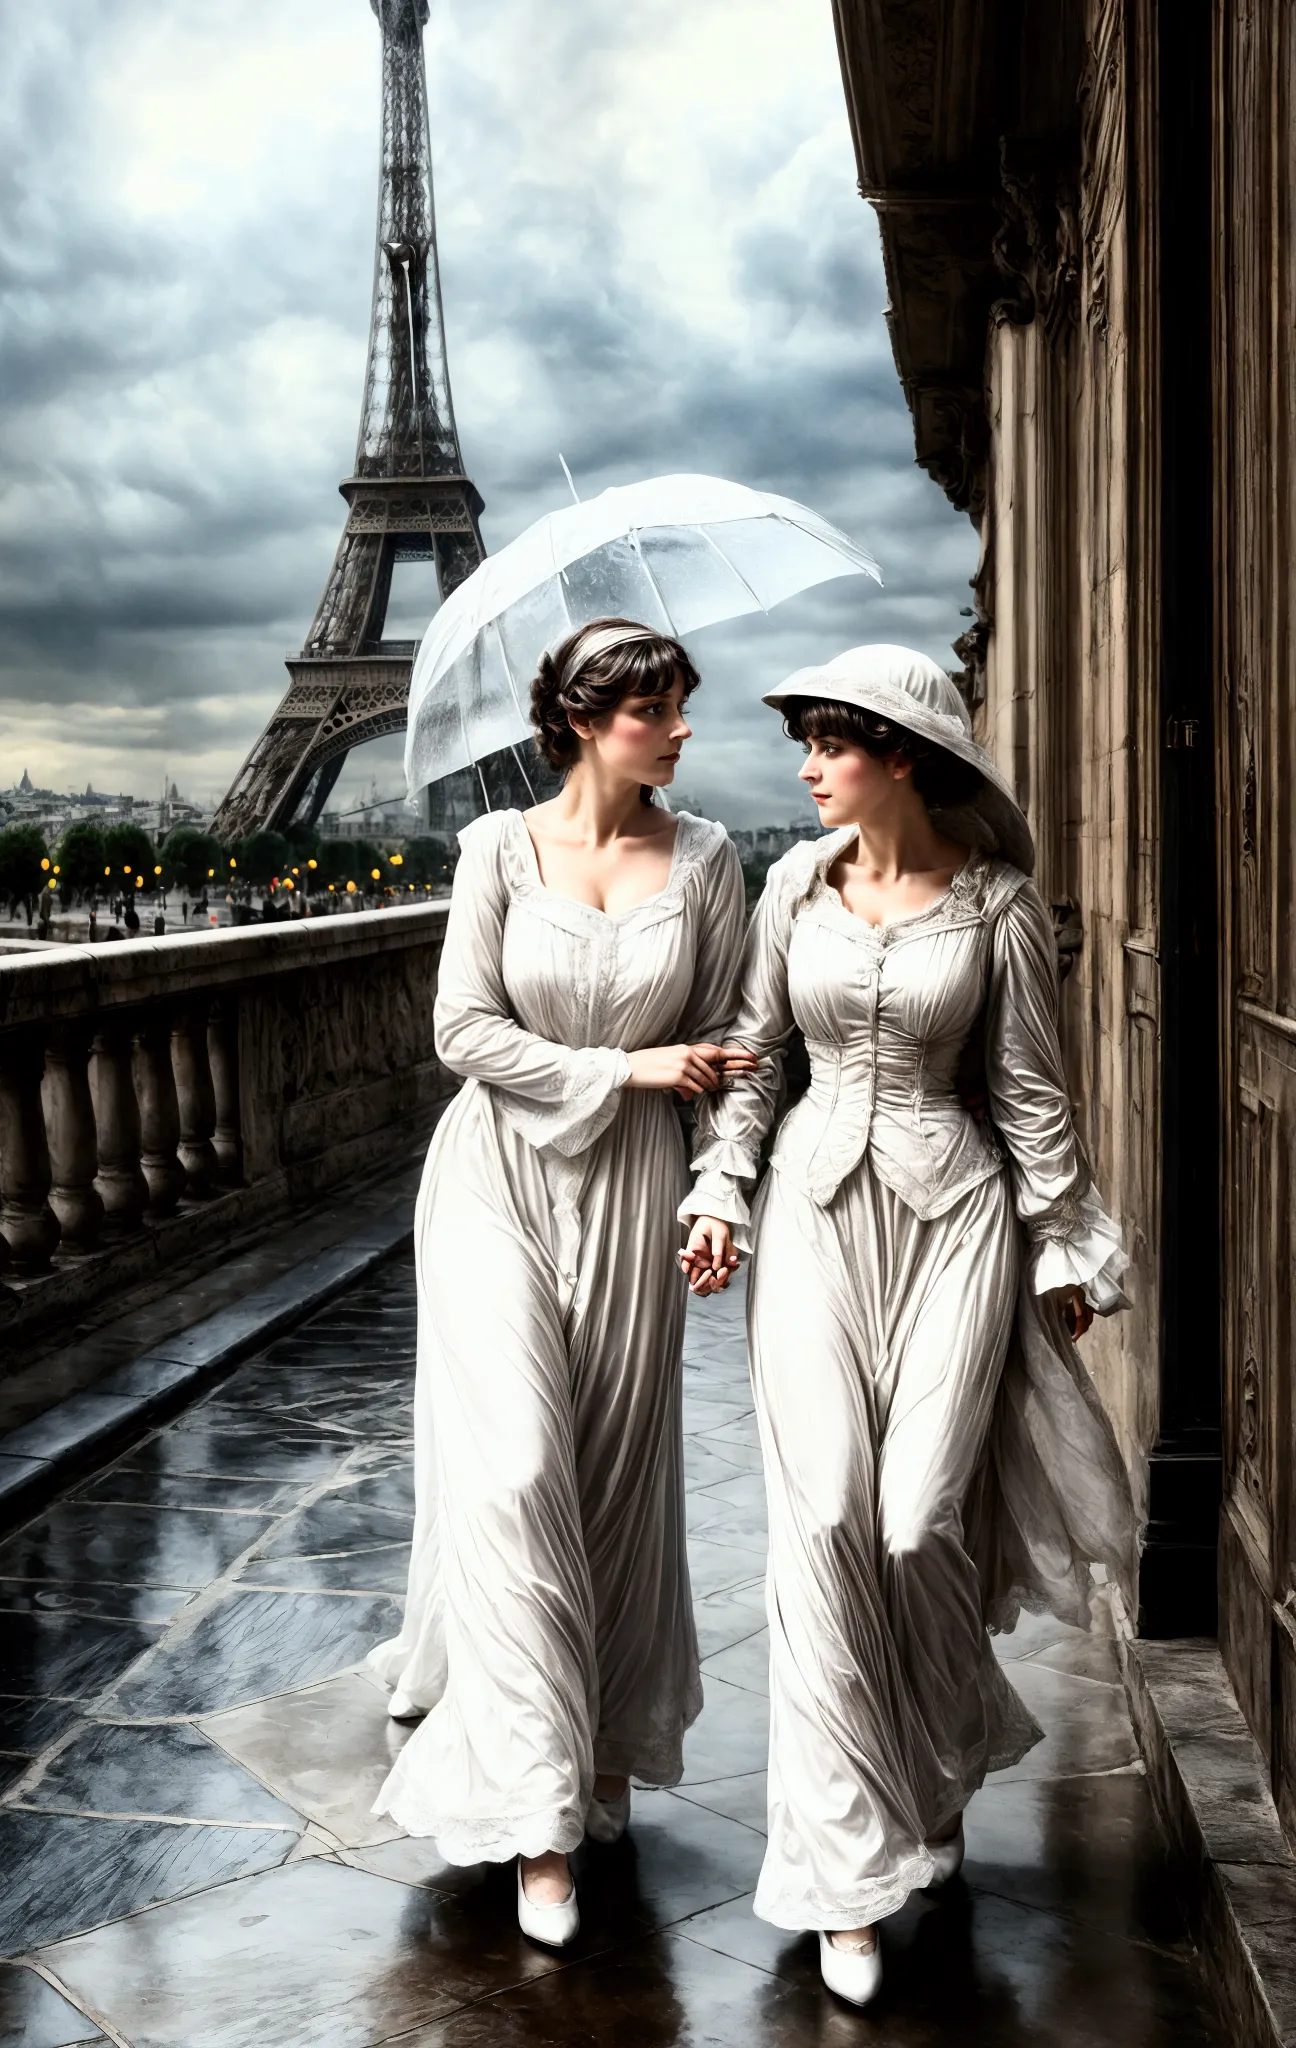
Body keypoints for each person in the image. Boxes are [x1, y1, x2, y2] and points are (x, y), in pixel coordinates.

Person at [680, 644, 1136, 2007]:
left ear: (903, 756)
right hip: (814, 1227)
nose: (805, 767)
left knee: (914, 1522)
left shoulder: (995, 906)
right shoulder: (788, 890)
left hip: (956, 1230)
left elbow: (1034, 1095)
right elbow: (754, 1068)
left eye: (828, 742)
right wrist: (721, 1192)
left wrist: (1064, 1242)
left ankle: (933, 1750)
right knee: (822, 1519)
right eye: (804, 743)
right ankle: (847, 1868)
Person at [368, 617, 752, 1947]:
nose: (684, 728)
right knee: (522, 1467)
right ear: (589, 718)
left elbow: (742, 1046)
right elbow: (461, 1030)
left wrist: (720, 1182)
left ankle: (592, 1751)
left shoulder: (706, 861)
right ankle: (536, 1815)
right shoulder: (491, 851)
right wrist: (626, 1071)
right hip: (490, 1185)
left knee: (612, 1478)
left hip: (641, 1190)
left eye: (684, 706)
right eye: (659, 708)